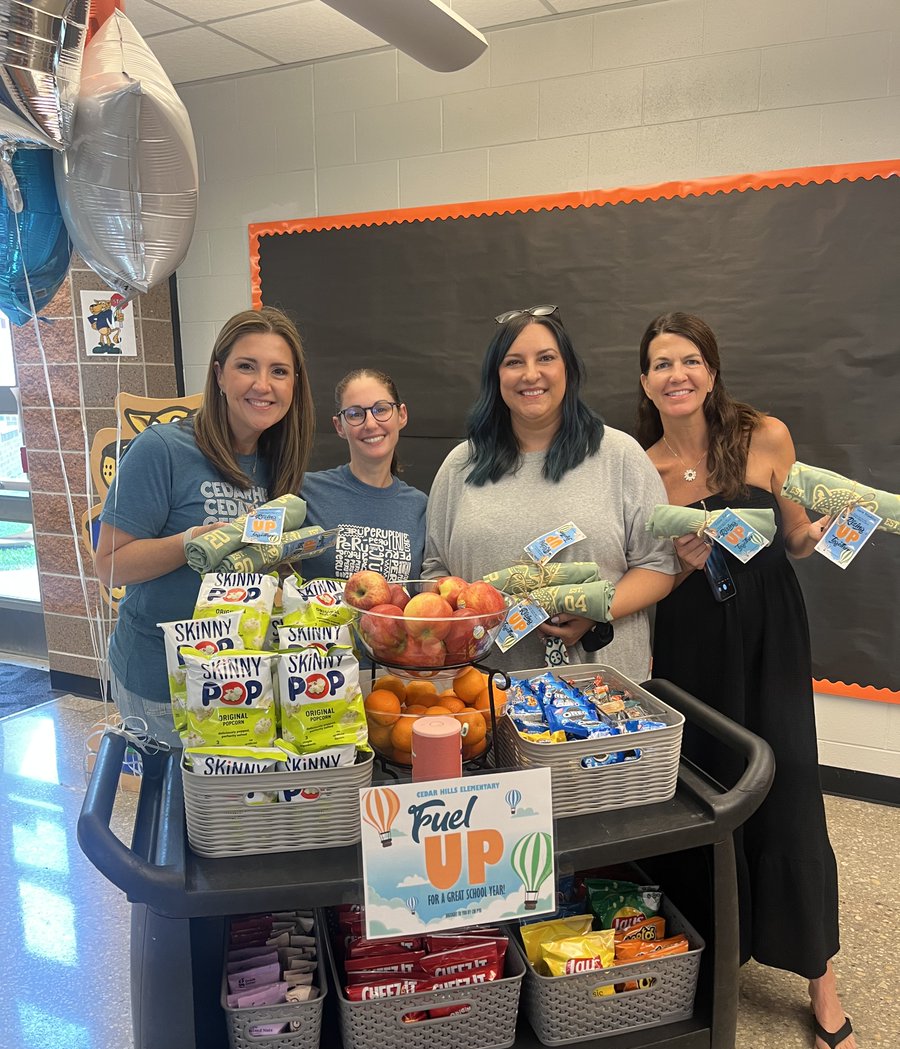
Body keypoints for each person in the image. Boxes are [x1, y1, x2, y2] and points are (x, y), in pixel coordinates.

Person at [636, 310, 859, 1049]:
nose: (677, 375)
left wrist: (832, 526)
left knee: (792, 782)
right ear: (645, 382)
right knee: (703, 787)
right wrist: (680, 560)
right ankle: (714, 953)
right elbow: (646, 567)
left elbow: (796, 537)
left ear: (711, 367)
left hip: (771, 632)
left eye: (689, 360)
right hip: (692, 640)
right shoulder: (641, 466)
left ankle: (820, 979)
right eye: (662, 364)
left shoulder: (766, 435)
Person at [94, 306, 315, 747]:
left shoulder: (278, 463)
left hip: (242, 679)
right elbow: (110, 566)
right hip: (163, 685)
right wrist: (197, 540)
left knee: (227, 816)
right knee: (179, 814)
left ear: (294, 385)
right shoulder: (162, 450)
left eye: (279, 371)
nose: (262, 385)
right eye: (245, 367)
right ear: (218, 375)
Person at [423, 305, 677, 679]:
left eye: (545, 358)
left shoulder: (619, 456)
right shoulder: (461, 465)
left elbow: (659, 565)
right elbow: (436, 570)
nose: (530, 374)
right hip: (486, 694)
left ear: (568, 370)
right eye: (513, 362)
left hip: (605, 699)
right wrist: (468, 610)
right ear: (496, 376)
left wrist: (595, 609)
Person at [300, 369, 427, 581]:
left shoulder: (421, 507)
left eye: (381, 409)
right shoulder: (306, 492)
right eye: (355, 414)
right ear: (339, 426)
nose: (370, 423)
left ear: (401, 415)